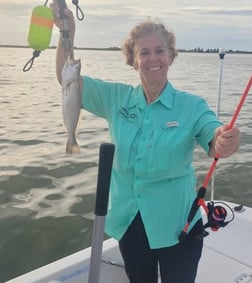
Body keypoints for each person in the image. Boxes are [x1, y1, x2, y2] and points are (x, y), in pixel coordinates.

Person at [51, 2, 240, 282]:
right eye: (145, 52)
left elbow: (213, 136)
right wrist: (68, 34)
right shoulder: (116, 98)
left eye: (160, 50)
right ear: (133, 59)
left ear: (171, 56)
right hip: (129, 222)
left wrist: (224, 141)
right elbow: (67, 80)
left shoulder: (191, 105)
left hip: (178, 225)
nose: (154, 58)